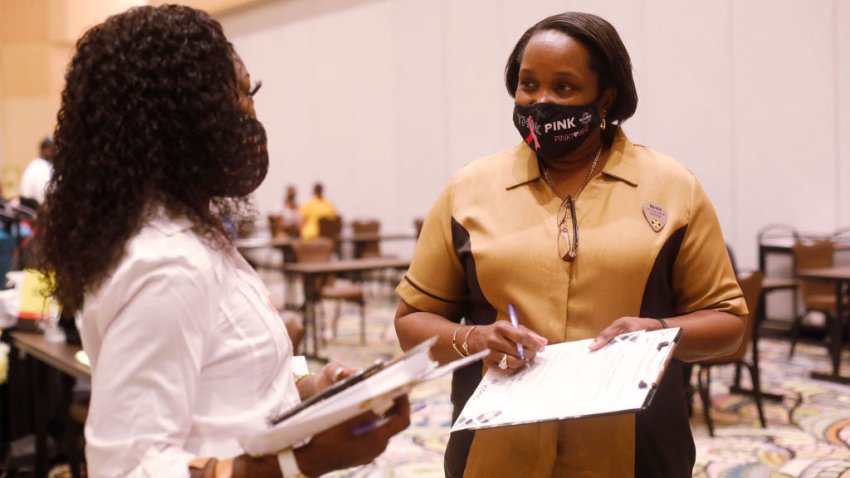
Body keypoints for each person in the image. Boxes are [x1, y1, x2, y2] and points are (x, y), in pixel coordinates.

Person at [37, 6, 409, 477]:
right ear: (179, 119)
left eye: (250, 94)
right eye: (236, 98)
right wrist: (302, 462)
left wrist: (312, 391)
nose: (251, 117)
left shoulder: (194, 234)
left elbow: (222, 392)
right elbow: (128, 468)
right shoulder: (168, 263)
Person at [394, 11, 746, 478]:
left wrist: (656, 334)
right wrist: (475, 338)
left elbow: (729, 323)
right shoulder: (468, 190)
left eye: (563, 88)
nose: (540, 101)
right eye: (528, 84)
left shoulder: (672, 188)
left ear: (606, 98)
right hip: (494, 454)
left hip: (638, 454)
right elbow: (411, 323)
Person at [19, 136, 54, 208]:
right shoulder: (43, 167)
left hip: (29, 210)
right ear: (46, 150)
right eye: (53, 149)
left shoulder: (34, 164)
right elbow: (44, 197)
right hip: (37, 211)